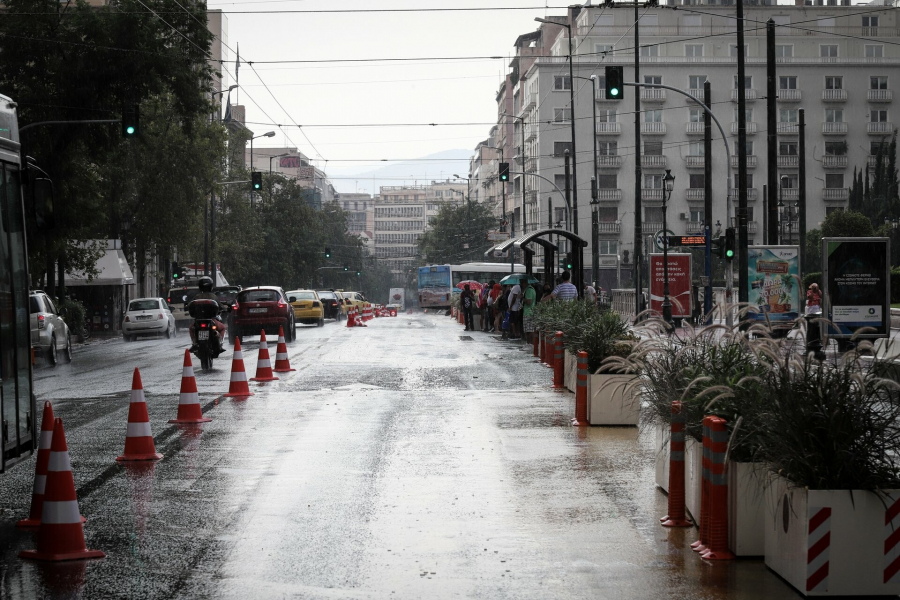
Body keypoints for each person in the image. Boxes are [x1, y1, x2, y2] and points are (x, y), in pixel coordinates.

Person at [189, 276, 227, 353]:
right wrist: (225, 308)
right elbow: (221, 307)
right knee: (223, 328)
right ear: (211, 286)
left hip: (198, 321)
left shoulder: (197, 297)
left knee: (191, 328)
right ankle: (220, 342)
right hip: (211, 320)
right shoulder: (213, 296)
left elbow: (190, 306)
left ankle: (194, 343)